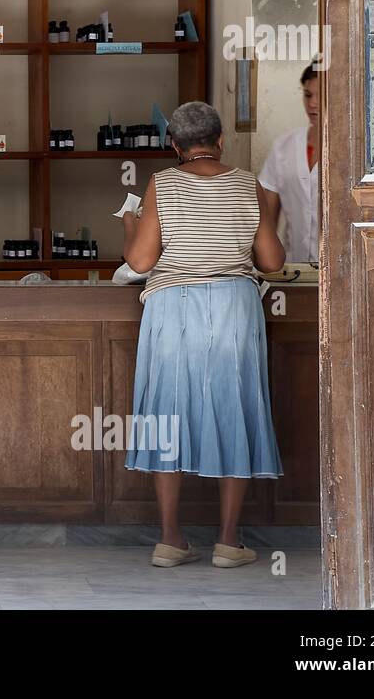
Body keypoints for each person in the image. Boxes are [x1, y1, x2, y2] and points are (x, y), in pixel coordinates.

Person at [118, 101, 286, 569]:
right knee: (234, 408)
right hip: (234, 306)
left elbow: (140, 262)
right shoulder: (247, 183)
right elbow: (272, 261)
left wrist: (129, 222)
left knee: (167, 412)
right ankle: (229, 542)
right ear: (220, 141)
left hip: (174, 308)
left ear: (173, 144)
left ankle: (171, 540)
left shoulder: (163, 183)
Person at [259, 64, 321, 263]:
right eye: (308, 95)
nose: (313, 104)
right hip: (295, 268)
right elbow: (268, 220)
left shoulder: (352, 149)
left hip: (341, 271)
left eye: (321, 95)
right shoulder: (283, 146)